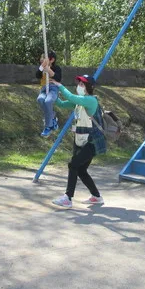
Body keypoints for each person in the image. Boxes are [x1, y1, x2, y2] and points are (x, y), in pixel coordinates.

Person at [49, 74, 106, 208]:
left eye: (82, 84)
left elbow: (71, 97)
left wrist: (60, 85)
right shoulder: (80, 102)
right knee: (81, 170)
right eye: (79, 84)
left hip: (91, 141)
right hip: (80, 139)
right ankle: (96, 196)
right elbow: (62, 104)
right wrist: (51, 94)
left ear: (89, 87)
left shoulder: (91, 100)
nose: (79, 86)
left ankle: (68, 198)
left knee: (73, 165)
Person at [36, 51, 62, 137]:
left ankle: (48, 126)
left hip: (53, 89)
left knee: (48, 101)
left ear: (52, 60)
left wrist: (49, 70)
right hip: (44, 89)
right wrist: (42, 67)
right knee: (40, 99)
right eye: (42, 58)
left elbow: (58, 78)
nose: (42, 59)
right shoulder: (42, 68)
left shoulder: (57, 68)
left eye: (45, 58)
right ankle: (52, 117)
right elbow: (37, 75)